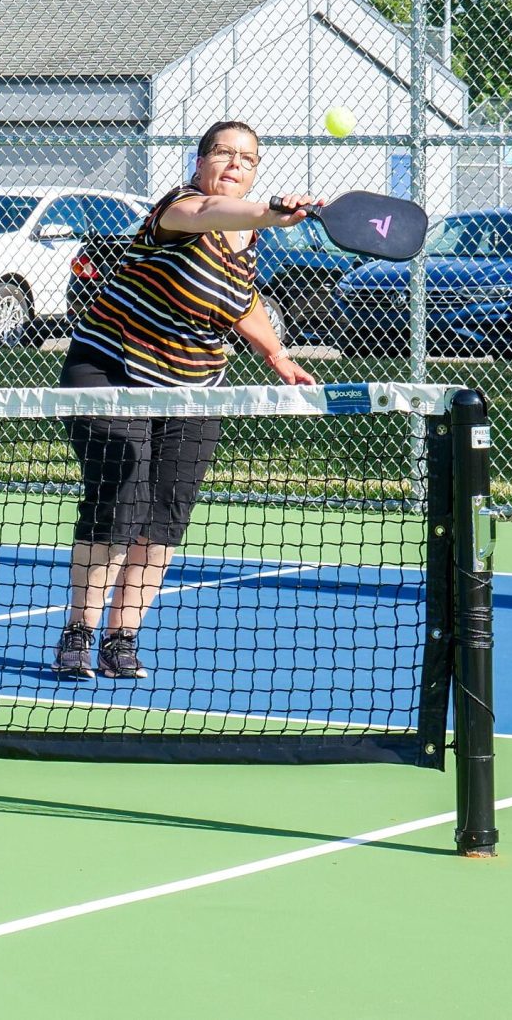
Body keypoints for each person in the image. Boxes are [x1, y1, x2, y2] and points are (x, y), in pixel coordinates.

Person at [54, 120, 319, 681]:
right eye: (222, 153)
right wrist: (272, 210)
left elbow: (242, 301)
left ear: (255, 172)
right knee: (121, 493)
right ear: (200, 164)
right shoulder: (178, 208)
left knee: (167, 514)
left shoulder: (247, 238)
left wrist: (275, 354)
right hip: (110, 368)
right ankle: (79, 633)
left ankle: (120, 639)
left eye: (247, 159)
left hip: (195, 385)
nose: (234, 164)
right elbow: (206, 216)